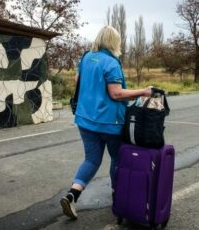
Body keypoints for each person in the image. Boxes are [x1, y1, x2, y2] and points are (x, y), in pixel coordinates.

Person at [60, 26, 152, 219]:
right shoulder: (111, 63)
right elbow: (116, 93)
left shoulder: (85, 58)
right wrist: (143, 91)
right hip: (110, 122)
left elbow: (78, 82)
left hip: (85, 119)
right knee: (117, 159)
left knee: (91, 159)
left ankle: (72, 195)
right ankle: (117, 195)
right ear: (114, 42)